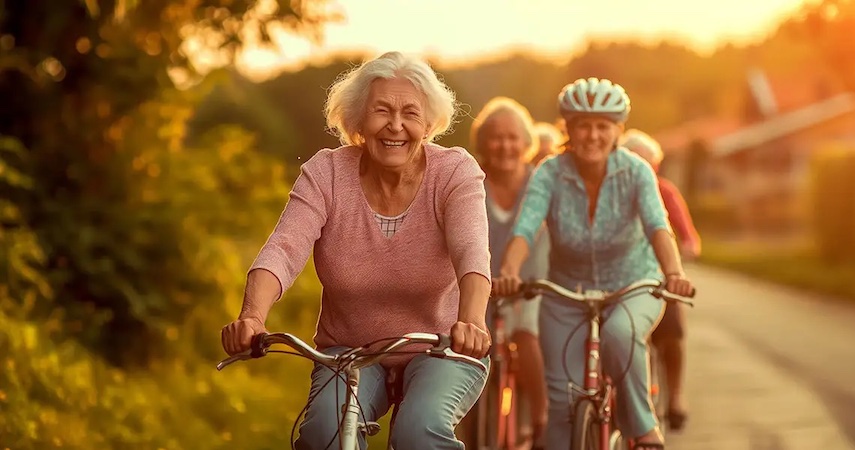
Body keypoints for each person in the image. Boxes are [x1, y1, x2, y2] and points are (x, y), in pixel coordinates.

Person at [220, 51, 493, 450]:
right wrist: (252, 316)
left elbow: (472, 249)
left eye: (410, 113)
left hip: (443, 348)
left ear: (429, 123)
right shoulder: (327, 173)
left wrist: (471, 322)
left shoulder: (454, 172)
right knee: (323, 433)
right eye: (381, 110)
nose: (395, 126)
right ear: (358, 119)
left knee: (419, 433)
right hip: (350, 352)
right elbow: (283, 248)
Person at [492, 77, 696, 450]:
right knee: (561, 400)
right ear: (567, 128)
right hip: (566, 290)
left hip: (635, 282)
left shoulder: (636, 171)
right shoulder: (549, 173)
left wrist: (674, 274)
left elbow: (657, 225)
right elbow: (526, 226)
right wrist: (508, 272)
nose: (592, 135)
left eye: (603, 126)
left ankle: (641, 427)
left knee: (620, 334)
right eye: (582, 125)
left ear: (618, 130)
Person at [470, 96, 550, 447]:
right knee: (469, 346)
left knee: (525, 332)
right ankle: (468, 428)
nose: (504, 145)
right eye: (496, 137)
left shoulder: (541, 182)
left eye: (513, 137)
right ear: (483, 141)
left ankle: (542, 417)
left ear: (526, 142)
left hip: (530, 281)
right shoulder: (471, 180)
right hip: (480, 283)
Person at [620, 128, 702, 431]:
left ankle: (676, 397)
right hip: (620, 278)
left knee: (672, 331)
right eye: (634, 160)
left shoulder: (665, 192)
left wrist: (689, 248)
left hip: (657, 279)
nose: (642, 169)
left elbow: (686, 231)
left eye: (648, 164)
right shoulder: (611, 189)